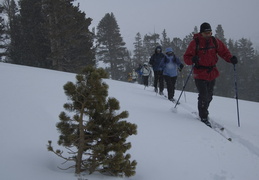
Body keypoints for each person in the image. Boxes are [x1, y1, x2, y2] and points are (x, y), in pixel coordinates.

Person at [183, 22, 238, 127]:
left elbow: (224, 52)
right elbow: (186, 58)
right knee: (203, 95)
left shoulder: (214, 41)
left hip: (212, 72)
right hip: (199, 72)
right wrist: (192, 59)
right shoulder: (195, 43)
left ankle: (204, 110)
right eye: (206, 33)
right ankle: (203, 116)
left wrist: (231, 59)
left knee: (209, 96)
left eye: (210, 32)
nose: (208, 34)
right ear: (201, 32)